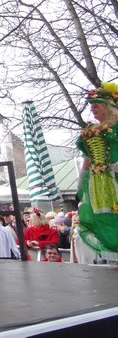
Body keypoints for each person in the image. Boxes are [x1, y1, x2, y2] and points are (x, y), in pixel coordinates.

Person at [76, 82, 118, 255]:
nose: (92, 109)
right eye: (91, 106)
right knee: (103, 215)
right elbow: (88, 157)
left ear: (108, 107)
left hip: (115, 175)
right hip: (97, 181)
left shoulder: (115, 128)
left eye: (96, 105)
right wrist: (81, 178)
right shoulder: (91, 130)